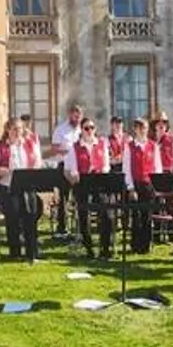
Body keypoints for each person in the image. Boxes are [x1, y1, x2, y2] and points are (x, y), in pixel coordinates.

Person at [0, 117, 42, 260]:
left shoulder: (30, 144)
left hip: (27, 186)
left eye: (20, 129)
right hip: (7, 187)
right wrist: (7, 171)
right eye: (15, 129)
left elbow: (37, 162)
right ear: (8, 130)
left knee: (31, 218)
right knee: (13, 219)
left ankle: (32, 252)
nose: (18, 132)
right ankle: (15, 253)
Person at [64, 117, 112, 258]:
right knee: (83, 215)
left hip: (99, 181)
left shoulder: (101, 144)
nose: (89, 131)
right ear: (82, 130)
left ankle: (105, 248)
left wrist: (103, 170)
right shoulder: (75, 147)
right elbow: (70, 168)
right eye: (86, 128)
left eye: (92, 128)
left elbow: (106, 164)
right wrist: (74, 176)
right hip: (83, 182)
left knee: (107, 215)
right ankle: (89, 247)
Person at [124, 116, 161, 254]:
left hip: (148, 184)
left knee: (147, 216)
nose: (142, 130)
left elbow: (157, 167)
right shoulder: (130, 147)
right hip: (135, 184)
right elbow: (126, 168)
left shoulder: (153, 146)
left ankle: (145, 246)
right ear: (135, 129)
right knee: (136, 215)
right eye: (139, 127)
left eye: (144, 127)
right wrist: (130, 187)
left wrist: (156, 186)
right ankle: (135, 245)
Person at [50, 104, 84, 237]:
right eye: (75, 116)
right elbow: (54, 149)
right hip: (64, 166)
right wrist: (71, 152)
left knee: (80, 197)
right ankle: (62, 228)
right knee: (64, 198)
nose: (77, 118)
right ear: (70, 115)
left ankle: (80, 227)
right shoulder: (61, 129)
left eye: (79, 116)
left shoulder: (83, 129)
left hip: (80, 167)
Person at [150, 111, 173, 246]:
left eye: (164, 123)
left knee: (170, 206)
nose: (161, 125)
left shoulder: (172, 140)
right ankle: (157, 235)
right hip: (155, 176)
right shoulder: (151, 142)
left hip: (169, 176)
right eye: (158, 123)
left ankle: (171, 235)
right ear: (154, 125)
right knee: (156, 205)